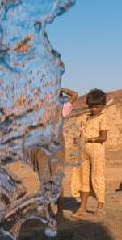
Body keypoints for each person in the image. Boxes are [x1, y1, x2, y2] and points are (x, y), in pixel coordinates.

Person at [30, 87, 78, 220]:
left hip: (56, 150)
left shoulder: (62, 108)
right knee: (45, 180)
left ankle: (60, 211)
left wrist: (60, 88)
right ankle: (47, 209)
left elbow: (75, 94)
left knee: (56, 179)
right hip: (41, 150)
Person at [74, 89, 108, 217]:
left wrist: (88, 139)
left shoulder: (102, 118)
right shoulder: (86, 118)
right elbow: (81, 134)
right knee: (83, 178)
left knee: (97, 177)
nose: (93, 109)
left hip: (97, 152)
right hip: (84, 152)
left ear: (102, 106)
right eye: (91, 106)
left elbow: (103, 137)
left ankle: (100, 206)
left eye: (96, 106)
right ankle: (82, 207)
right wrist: (78, 140)